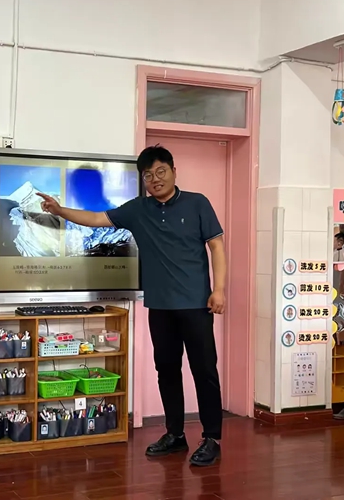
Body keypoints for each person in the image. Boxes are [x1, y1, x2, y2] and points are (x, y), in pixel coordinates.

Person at [37, 145, 226, 467]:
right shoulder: (138, 209)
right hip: (160, 306)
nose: (155, 179)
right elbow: (96, 219)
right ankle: (175, 434)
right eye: (148, 175)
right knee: (167, 370)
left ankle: (212, 438)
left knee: (204, 370)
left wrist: (218, 290)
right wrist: (59, 210)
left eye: (161, 171)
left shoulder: (197, 203)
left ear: (174, 171)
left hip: (196, 304)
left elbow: (216, 246)